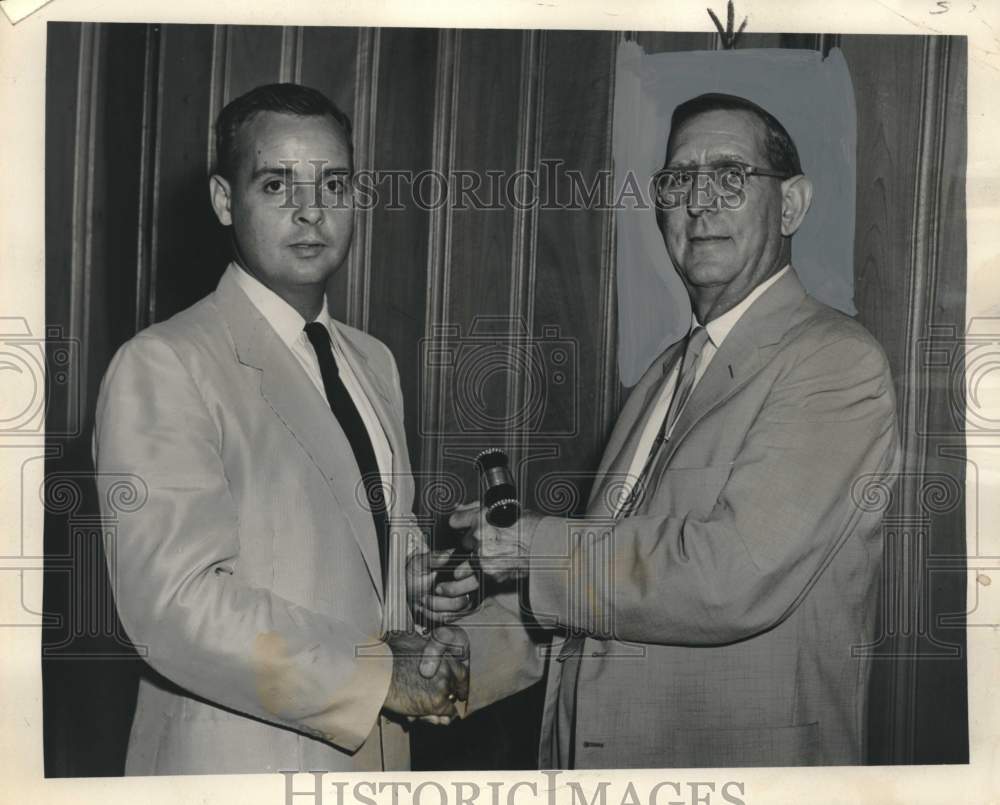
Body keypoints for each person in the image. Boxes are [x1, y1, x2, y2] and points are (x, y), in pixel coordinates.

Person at [433, 92, 901, 768]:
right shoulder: (662, 377)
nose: (699, 201)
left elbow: (728, 576)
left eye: (731, 176)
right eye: (679, 179)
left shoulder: (835, 362)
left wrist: (527, 542)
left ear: (793, 205)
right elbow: (607, 586)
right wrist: (456, 656)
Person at [93, 83, 466, 776]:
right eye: (276, 183)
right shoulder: (167, 362)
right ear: (225, 201)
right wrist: (379, 675)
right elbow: (172, 605)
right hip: (242, 764)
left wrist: (423, 581)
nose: (310, 211)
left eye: (333, 183)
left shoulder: (373, 362)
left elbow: (364, 552)